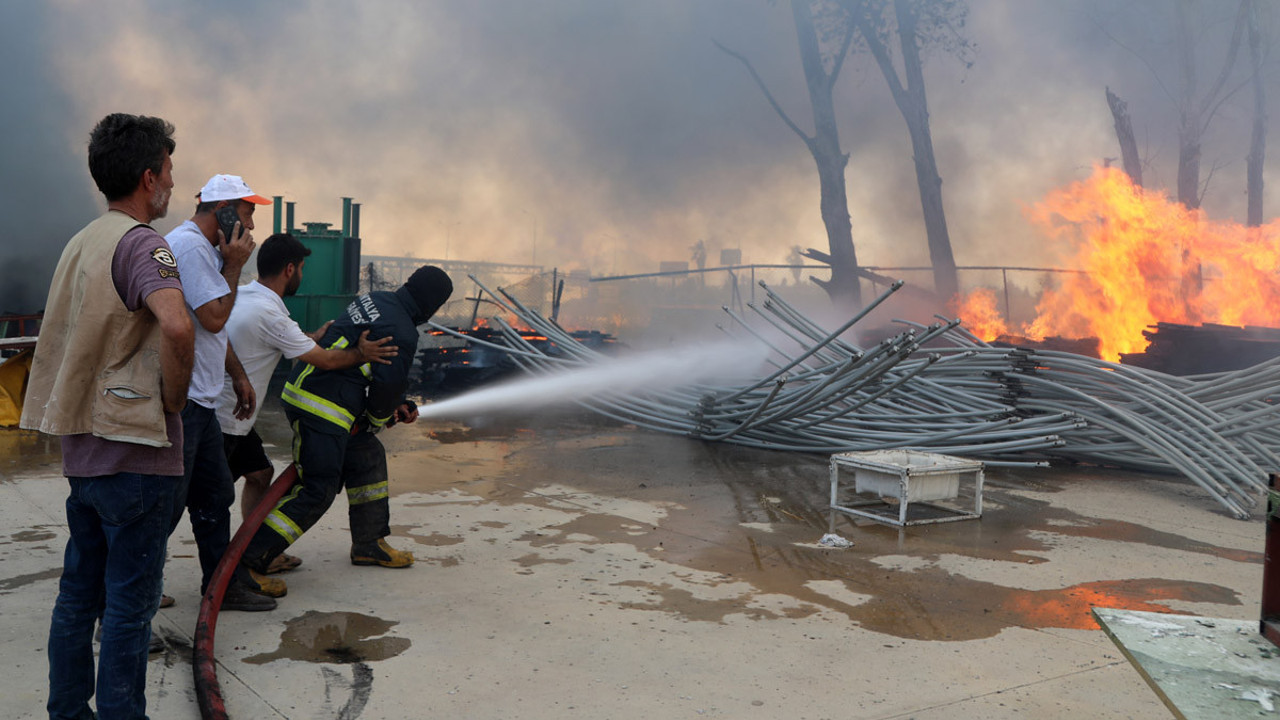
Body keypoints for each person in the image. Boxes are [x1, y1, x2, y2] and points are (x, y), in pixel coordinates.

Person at [21, 113, 193, 720]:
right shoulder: (144, 243)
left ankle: (68, 711)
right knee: (128, 608)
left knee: (77, 599)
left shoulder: (82, 241)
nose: (173, 182)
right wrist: (174, 401)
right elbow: (176, 323)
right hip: (134, 458)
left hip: (85, 455)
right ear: (149, 178)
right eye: (169, 171)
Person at [239, 266, 452, 580]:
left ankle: (368, 543)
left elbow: (384, 377)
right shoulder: (403, 330)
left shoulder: (378, 300)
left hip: (315, 392)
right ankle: (248, 561)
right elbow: (385, 389)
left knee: (367, 454)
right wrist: (381, 416)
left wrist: (397, 405)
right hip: (323, 407)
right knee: (317, 489)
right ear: (432, 304)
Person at [217, 233, 397, 579]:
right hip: (224, 419)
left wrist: (312, 336)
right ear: (289, 269)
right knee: (202, 501)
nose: (302, 275)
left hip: (236, 416)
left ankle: (258, 549)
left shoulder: (251, 297)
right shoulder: (271, 313)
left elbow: (285, 338)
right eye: (301, 268)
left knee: (260, 474)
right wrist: (362, 354)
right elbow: (326, 362)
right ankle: (234, 567)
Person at [165, 173, 278, 611]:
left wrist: (238, 375)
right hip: (186, 401)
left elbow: (213, 329)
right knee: (168, 507)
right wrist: (234, 266)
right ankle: (133, 597)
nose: (251, 226)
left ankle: (221, 586)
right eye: (247, 213)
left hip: (204, 399)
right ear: (224, 210)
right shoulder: (193, 248)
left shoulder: (204, 250)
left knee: (215, 496)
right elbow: (214, 317)